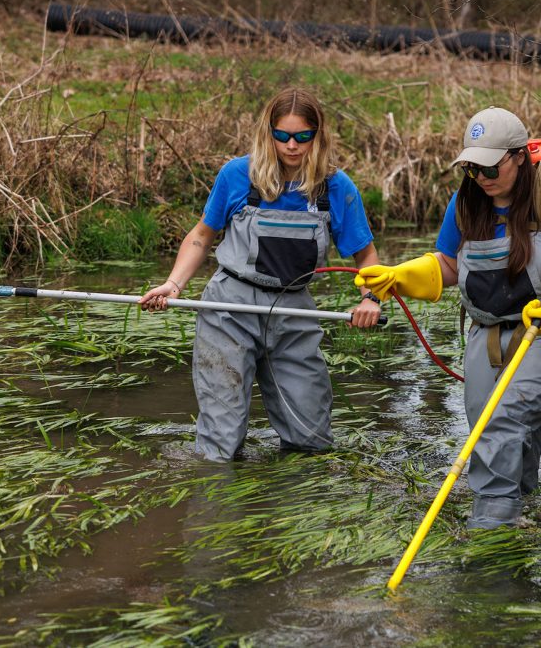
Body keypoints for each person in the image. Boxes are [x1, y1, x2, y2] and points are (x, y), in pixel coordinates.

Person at [357, 107, 541, 528]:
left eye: (490, 166)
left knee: (502, 419)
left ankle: (491, 523)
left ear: (519, 156)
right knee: (493, 425)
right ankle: (526, 507)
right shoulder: (467, 203)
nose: (481, 178)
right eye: (471, 168)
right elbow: (448, 265)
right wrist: (400, 277)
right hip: (488, 333)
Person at [141, 87, 382, 462]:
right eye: (282, 135)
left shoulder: (336, 187)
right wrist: (174, 284)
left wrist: (371, 298)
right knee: (221, 441)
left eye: (303, 137)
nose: (291, 146)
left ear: (317, 136)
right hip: (230, 309)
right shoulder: (238, 175)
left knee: (312, 440)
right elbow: (202, 237)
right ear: (267, 132)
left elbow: (366, 256)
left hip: (294, 311)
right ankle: (219, 507)